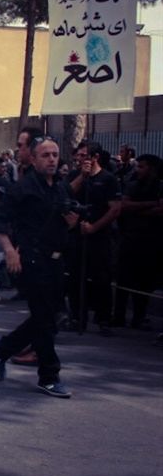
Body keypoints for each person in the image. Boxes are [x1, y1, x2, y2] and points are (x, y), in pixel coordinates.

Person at [0, 135, 79, 398]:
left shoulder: (62, 187)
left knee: (50, 316)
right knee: (45, 320)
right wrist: (9, 251)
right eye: (45, 155)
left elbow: (65, 222)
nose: (51, 159)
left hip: (58, 262)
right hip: (33, 261)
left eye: (55, 154)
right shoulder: (23, 188)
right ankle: (49, 376)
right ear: (35, 159)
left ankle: (1, 348)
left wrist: (71, 222)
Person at [66, 140, 120, 334]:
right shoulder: (76, 176)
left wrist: (94, 227)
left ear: (95, 157)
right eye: (78, 156)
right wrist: (82, 176)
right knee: (74, 277)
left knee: (101, 278)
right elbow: (66, 195)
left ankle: (104, 318)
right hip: (77, 235)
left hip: (99, 236)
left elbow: (114, 209)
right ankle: (76, 316)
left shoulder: (108, 179)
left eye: (84, 156)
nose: (79, 159)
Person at [111, 153, 162, 329]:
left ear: (152, 169)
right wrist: (150, 205)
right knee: (123, 279)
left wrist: (137, 209)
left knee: (144, 282)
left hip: (151, 241)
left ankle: (138, 317)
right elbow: (124, 205)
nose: (138, 170)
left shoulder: (158, 186)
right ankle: (118, 316)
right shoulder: (132, 184)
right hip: (130, 237)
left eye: (142, 167)